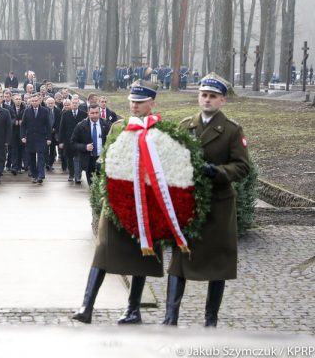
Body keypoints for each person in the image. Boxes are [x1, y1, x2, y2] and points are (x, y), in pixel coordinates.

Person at [73, 80, 163, 325]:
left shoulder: (162, 131)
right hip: (118, 200)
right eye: (132, 101)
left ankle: (134, 309)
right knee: (103, 250)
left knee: (141, 256)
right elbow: (106, 160)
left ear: (151, 104)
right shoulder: (118, 127)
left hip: (145, 203)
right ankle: (87, 305)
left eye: (140, 102)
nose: (134, 105)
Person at [163, 73, 250, 327]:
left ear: (222, 100)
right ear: (199, 97)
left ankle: (210, 320)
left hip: (218, 206)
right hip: (189, 206)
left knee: (217, 264)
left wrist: (218, 172)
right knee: (179, 262)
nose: (207, 100)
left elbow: (242, 167)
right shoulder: (185, 125)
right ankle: (170, 318)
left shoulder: (232, 130)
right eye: (204, 95)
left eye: (213, 96)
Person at [70, 104, 111, 185]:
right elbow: (73, 143)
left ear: (99, 113)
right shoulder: (81, 126)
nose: (94, 115)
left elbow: (111, 141)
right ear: (88, 113)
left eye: (96, 113)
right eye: (92, 113)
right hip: (89, 161)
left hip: (102, 160)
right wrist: (85, 147)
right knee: (92, 186)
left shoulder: (106, 125)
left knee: (103, 186)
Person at [20, 93, 51, 184]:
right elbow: (23, 125)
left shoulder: (45, 111)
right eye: (32, 101)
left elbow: (48, 125)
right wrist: (22, 136)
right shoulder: (27, 111)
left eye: (36, 101)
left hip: (41, 137)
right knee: (32, 157)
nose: (34, 102)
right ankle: (34, 175)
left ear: (40, 101)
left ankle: (41, 175)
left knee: (41, 157)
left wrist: (49, 138)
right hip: (30, 138)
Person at [58, 98, 87, 183]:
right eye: (73, 103)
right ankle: (71, 174)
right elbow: (61, 128)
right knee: (70, 158)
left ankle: (78, 176)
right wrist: (61, 141)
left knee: (78, 158)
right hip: (68, 140)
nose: (74, 104)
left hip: (79, 140)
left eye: (76, 103)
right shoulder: (65, 114)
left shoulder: (83, 114)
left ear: (78, 104)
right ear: (70, 104)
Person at [9, 93, 26, 175]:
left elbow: (27, 118)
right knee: (14, 150)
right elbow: (9, 119)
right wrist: (14, 122)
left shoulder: (25, 108)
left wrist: (22, 122)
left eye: (19, 99)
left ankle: (19, 167)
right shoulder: (10, 108)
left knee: (21, 150)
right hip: (13, 132)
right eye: (16, 99)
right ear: (13, 100)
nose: (18, 100)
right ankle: (14, 167)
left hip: (22, 133)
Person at [45, 97, 61, 171]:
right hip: (45, 133)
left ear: (54, 103)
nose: (51, 104)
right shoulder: (44, 111)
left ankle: (50, 164)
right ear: (46, 104)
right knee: (45, 149)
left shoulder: (58, 111)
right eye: (49, 103)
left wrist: (55, 128)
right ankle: (46, 163)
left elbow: (60, 122)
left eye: (52, 103)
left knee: (52, 149)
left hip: (54, 133)